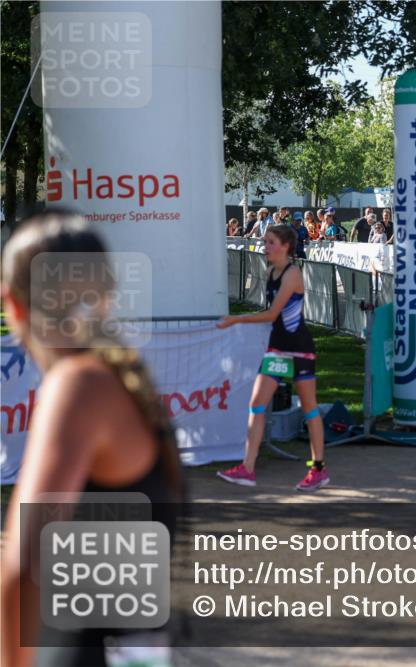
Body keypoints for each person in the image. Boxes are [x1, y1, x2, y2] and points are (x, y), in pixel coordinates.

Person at [1, 211, 184, 667]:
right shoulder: (122, 380)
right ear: (106, 295)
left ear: (14, 305)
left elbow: (21, 568)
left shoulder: (78, 387)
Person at [217, 224, 329, 492]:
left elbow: (271, 315)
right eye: (265, 241)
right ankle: (247, 468)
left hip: (299, 348)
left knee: (309, 408)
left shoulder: (292, 275)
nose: (265, 246)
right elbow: (272, 314)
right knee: (257, 404)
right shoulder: (271, 272)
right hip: (278, 348)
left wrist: (236, 320)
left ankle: (319, 469)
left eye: (270, 242)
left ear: (285, 246)